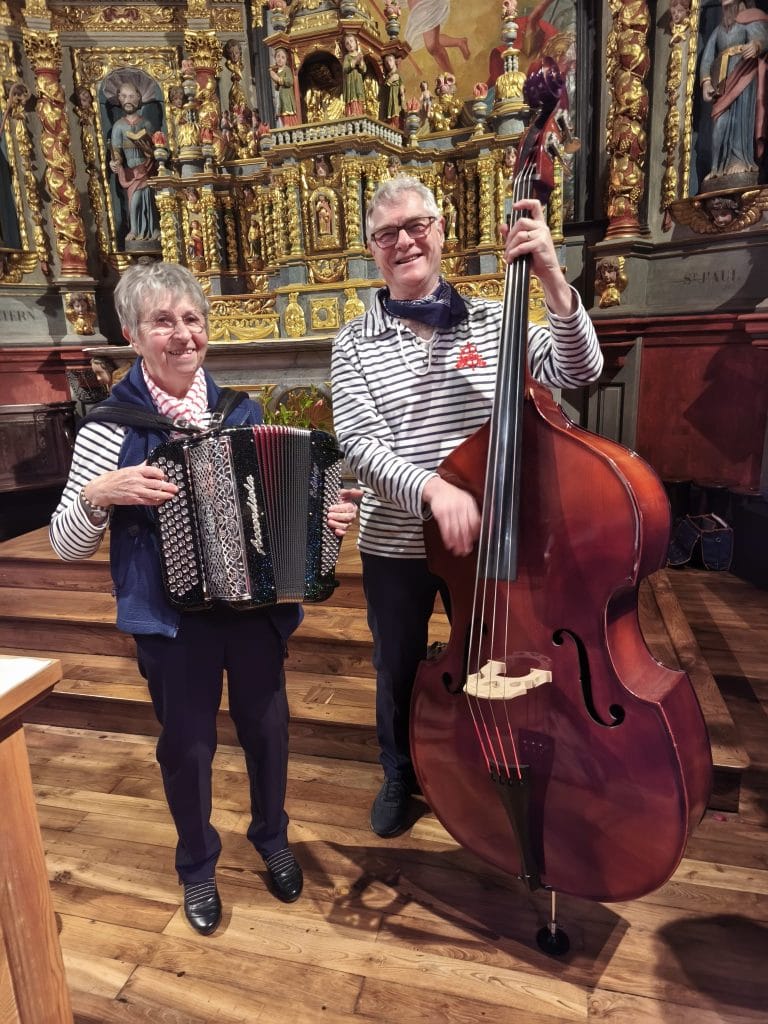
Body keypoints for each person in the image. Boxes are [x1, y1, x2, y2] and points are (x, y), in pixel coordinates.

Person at [50, 263, 359, 935]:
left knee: (268, 731)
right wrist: (98, 498)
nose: (183, 335)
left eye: (192, 320)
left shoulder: (241, 414)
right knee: (186, 747)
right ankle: (197, 865)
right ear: (133, 335)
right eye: (163, 321)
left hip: (252, 614)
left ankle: (272, 836)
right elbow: (64, 544)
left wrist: (324, 524)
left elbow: (292, 513)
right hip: (171, 624)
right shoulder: (107, 429)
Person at [330, 176, 603, 838]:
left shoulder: (496, 318)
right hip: (396, 540)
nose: (405, 242)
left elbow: (580, 369)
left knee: (490, 661)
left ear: (442, 230)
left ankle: (488, 763)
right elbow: (360, 447)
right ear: (373, 250)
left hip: (485, 542)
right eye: (388, 233)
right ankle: (399, 770)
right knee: (395, 663)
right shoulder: (355, 341)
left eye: (416, 225)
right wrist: (433, 490)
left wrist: (552, 281)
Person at [699, 0, 768, 185]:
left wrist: (756, 46)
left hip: (745, 76)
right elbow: (706, 58)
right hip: (722, 83)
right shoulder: (719, 30)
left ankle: (741, 160)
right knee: (720, 122)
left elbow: (762, 37)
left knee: (740, 121)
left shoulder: (752, 18)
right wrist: (706, 82)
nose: (725, 7)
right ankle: (716, 168)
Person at [108, 81, 159, 242]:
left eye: (131, 96)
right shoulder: (118, 126)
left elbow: (156, 147)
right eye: (124, 96)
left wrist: (150, 151)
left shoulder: (146, 123)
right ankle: (135, 230)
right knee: (134, 201)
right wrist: (115, 162)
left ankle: (154, 229)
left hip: (147, 168)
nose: (127, 100)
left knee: (150, 200)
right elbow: (116, 151)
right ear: (119, 99)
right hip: (131, 171)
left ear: (138, 98)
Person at [269, 48, 300, 127]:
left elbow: (290, 81)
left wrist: (278, 79)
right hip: (280, 98)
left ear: (286, 60)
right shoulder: (277, 70)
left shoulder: (287, 69)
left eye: (283, 57)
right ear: (275, 58)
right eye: (278, 56)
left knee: (287, 117)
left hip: (286, 99)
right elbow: (277, 86)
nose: (280, 59)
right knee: (280, 117)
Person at [342, 33, 367, 116]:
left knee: (359, 94)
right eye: (347, 43)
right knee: (352, 95)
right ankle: (352, 112)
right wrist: (354, 62)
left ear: (356, 43)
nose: (350, 44)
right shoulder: (347, 57)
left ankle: (359, 112)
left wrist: (360, 63)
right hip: (350, 81)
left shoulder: (359, 55)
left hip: (358, 80)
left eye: (351, 41)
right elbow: (345, 68)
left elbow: (364, 70)